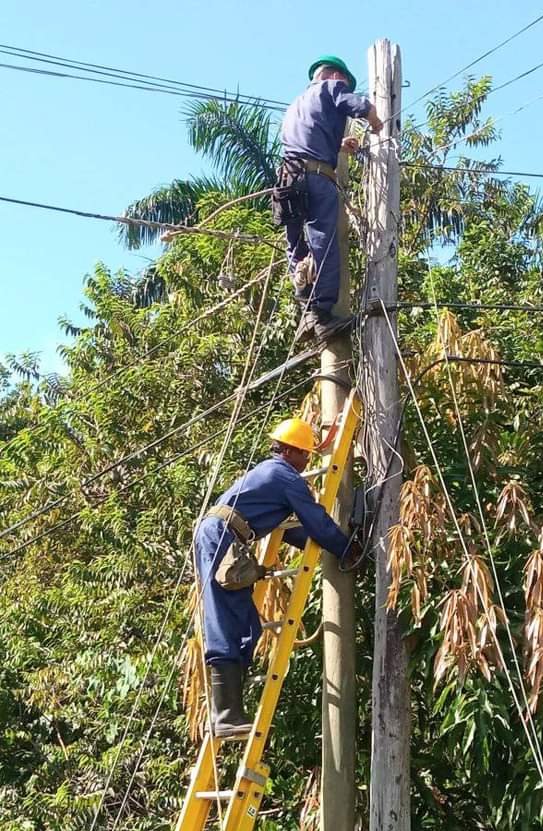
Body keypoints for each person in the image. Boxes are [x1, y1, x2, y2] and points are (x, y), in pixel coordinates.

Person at [193, 417, 357, 739]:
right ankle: (225, 714)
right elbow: (315, 519)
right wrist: (347, 548)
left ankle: (230, 711)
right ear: (290, 451)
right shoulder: (284, 475)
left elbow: (300, 531)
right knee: (225, 619)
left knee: (247, 625)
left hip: (224, 535)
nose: (308, 460)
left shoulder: (271, 475)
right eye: (305, 454)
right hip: (220, 536)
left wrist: (333, 543)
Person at [279, 55, 383, 342]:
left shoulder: (295, 105)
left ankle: (305, 303)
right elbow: (357, 105)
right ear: (335, 76)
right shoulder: (329, 88)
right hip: (315, 179)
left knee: (297, 244)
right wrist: (374, 118)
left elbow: (306, 139)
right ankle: (323, 314)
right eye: (345, 83)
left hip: (288, 180)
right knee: (324, 241)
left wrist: (338, 146)